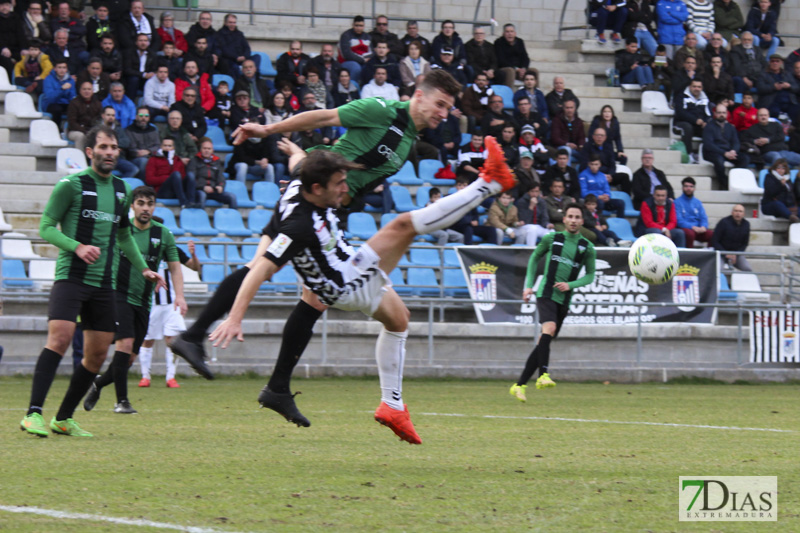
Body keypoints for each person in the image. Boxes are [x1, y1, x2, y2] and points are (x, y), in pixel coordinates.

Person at [170, 71, 513, 418]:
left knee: (303, 294)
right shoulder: (382, 110)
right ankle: (212, 344)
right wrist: (269, 130)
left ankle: (259, 376)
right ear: (419, 96)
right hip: (314, 207)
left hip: (324, 204)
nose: (444, 113)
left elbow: (330, 162)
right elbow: (325, 116)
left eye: (449, 108)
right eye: (440, 104)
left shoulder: (409, 141)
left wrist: (298, 159)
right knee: (275, 270)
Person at [209, 140, 514, 442]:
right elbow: (261, 268)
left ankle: (392, 405)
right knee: (403, 226)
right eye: (338, 183)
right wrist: (235, 319)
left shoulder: (300, 183)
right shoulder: (298, 226)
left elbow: (299, 162)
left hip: (347, 268)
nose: (345, 188)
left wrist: (292, 150)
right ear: (316, 189)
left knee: (399, 321)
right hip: (347, 284)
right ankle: (489, 183)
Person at [19, 125, 163, 438]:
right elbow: (45, 227)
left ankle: (63, 418)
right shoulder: (71, 185)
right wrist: (77, 246)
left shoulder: (124, 190)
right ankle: (33, 414)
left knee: (97, 355)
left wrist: (143, 269)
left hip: (105, 284)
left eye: (114, 147)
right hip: (71, 277)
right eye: (104, 147)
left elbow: (123, 234)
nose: (110, 152)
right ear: (90, 151)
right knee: (60, 339)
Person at [82, 186, 184, 414]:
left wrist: (180, 296)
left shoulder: (163, 234)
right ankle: (122, 402)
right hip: (119, 295)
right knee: (125, 345)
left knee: (128, 359)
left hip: (145, 301)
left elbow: (176, 268)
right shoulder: (120, 231)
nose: (145, 208)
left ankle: (98, 383)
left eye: (150, 203)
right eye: (141, 203)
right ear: (132, 206)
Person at [509, 203, 596, 402]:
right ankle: (543, 375)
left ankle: (519, 385)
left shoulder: (587, 247)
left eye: (577, 217)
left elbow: (590, 275)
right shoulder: (552, 238)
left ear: (582, 221)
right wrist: (528, 285)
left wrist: (570, 284)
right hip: (546, 293)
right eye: (570, 216)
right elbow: (534, 259)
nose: (573, 220)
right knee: (549, 328)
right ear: (564, 219)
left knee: (544, 342)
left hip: (564, 299)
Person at [139, 238, 200, 388]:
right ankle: (145, 376)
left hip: (171, 303)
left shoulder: (173, 251)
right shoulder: (145, 252)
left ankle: (170, 377)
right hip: (152, 303)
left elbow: (194, 267)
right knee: (147, 340)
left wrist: (193, 255)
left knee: (171, 341)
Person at [702, 103, 748, 189]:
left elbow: (736, 142)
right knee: (719, 160)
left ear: (727, 114)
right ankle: (723, 184)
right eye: (719, 113)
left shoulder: (730, 127)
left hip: (728, 152)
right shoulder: (709, 127)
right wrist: (724, 153)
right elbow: (709, 145)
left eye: (723, 112)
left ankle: (733, 180)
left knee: (745, 159)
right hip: (713, 152)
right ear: (715, 114)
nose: (721, 115)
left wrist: (733, 151)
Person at [188, 137, 237, 208]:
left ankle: (233, 218)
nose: (206, 151)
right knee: (202, 196)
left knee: (232, 197)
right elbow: (191, 179)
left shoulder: (216, 161)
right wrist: (202, 187)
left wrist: (221, 186)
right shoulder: (194, 161)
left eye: (209, 149)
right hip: (200, 190)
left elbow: (221, 178)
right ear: (200, 149)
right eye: (204, 148)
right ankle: (201, 217)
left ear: (212, 150)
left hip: (214, 190)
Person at [579, 127, 631, 195]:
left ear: (605, 137)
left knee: (625, 176)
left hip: (608, 176)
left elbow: (612, 164)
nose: (600, 137)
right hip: (593, 175)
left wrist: (610, 175)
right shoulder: (587, 147)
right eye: (597, 135)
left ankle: (627, 199)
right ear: (593, 136)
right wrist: (601, 175)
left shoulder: (608, 147)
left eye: (602, 135)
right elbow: (584, 164)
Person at [145, 136, 194, 207]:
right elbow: (149, 180)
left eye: (169, 146)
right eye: (165, 145)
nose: (167, 148)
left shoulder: (177, 159)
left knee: (190, 175)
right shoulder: (153, 159)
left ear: (173, 147)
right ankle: (183, 203)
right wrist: (168, 178)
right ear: (161, 146)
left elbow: (182, 177)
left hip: (177, 190)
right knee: (176, 174)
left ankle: (191, 202)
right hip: (162, 191)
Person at [673, 79, 711, 162]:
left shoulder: (705, 98)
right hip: (681, 123)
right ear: (689, 87)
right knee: (688, 127)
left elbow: (709, 114)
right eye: (694, 86)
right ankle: (689, 155)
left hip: (698, 125)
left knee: (710, 128)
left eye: (699, 87)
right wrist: (695, 120)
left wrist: (706, 122)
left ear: (702, 88)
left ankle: (706, 155)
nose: (696, 89)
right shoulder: (681, 97)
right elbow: (680, 113)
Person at [756, 54, 800, 119]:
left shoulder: (787, 74)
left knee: (796, 110)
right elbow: (760, 88)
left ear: (781, 62)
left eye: (777, 61)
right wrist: (773, 87)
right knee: (774, 112)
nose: (775, 63)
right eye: (772, 61)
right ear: (769, 62)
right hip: (772, 102)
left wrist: (789, 86)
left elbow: (797, 88)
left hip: (789, 102)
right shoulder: (763, 74)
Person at [675, 176, 714, 248]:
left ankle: (709, 257)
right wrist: (692, 227)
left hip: (698, 229)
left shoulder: (697, 202)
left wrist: (703, 227)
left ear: (694, 188)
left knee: (712, 235)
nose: (688, 188)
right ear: (682, 188)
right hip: (686, 229)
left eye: (691, 186)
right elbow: (679, 221)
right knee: (690, 234)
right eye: (686, 186)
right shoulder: (677, 202)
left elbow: (703, 217)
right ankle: (690, 257)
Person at [712, 203, 752, 271]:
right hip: (722, 253)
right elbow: (714, 241)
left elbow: (745, 243)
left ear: (744, 214)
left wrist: (736, 254)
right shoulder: (724, 222)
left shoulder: (746, 224)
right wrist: (726, 254)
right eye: (736, 211)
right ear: (732, 212)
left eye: (740, 211)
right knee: (719, 270)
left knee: (748, 269)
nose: (738, 213)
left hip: (736, 254)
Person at [126, 106, 161, 179]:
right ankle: (143, 186)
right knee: (144, 161)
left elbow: (158, 145)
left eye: (146, 116)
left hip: (151, 156)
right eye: (141, 115)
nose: (143, 118)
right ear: (136, 117)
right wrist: (142, 153)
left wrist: (148, 151)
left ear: (149, 118)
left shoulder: (153, 130)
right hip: (135, 159)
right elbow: (131, 150)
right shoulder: (129, 130)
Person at [67, 80, 102, 151]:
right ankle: (80, 158)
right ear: (80, 91)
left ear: (92, 91)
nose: (87, 91)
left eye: (89, 89)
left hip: (92, 130)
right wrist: (85, 131)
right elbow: (72, 123)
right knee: (80, 136)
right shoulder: (74, 103)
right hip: (75, 130)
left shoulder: (97, 103)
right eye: (84, 89)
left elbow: (99, 119)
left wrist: (93, 131)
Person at [493, 23, 529, 88]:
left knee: (534, 71)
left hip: (520, 69)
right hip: (505, 68)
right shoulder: (498, 42)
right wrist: (516, 69)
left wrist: (523, 68)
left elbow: (525, 57)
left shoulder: (520, 42)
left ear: (515, 33)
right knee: (511, 71)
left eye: (511, 31)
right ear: (503, 33)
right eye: (507, 32)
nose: (510, 34)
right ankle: (509, 94)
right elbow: (501, 60)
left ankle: (535, 94)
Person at [338, 15, 372, 83]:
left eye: (361, 26)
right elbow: (347, 54)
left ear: (364, 26)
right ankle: (353, 88)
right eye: (357, 25)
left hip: (363, 61)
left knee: (371, 67)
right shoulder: (346, 35)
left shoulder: (368, 37)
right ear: (353, 25)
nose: (359, 28)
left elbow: (372, 52)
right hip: (347, 62)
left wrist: (365, 59)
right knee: (356, 67)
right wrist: (362, 60)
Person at [0, 0, 28, 80]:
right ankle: (11, 82)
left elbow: (21, 34)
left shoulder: (16, 17)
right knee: (6, 61)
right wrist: (3, 47)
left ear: (10, 6)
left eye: (6, 5)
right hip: (2, 49)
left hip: (15, 49)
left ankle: (24, 82)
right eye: (2, 5)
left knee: (26, 58)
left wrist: (24, 48)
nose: (4, 7)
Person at [42, 58, 75, 125]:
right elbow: (50, 98)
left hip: (65, 103)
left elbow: (73, 96)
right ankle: (57, 129)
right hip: (51, 104)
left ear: (66, 69)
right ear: (55, 69)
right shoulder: (48, 79)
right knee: (57, 109)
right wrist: (61, 89)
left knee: (76, 107)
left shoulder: (70, 80)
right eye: (59, 67)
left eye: (64, 68)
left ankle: (71, 128)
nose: (62, 70)